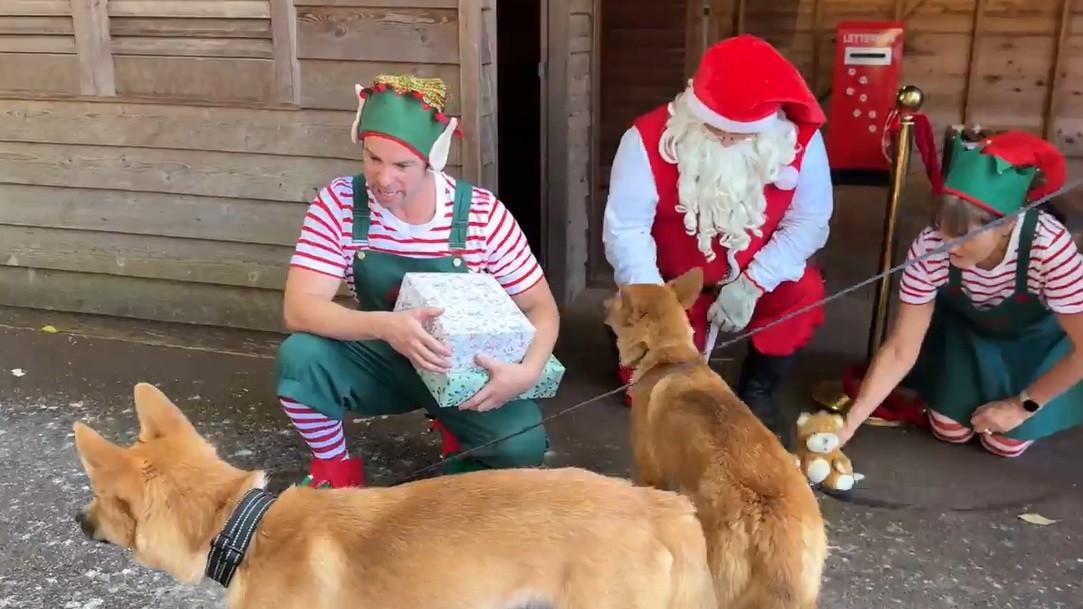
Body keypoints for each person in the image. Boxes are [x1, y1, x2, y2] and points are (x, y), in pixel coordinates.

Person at [274, 75, 560, 488]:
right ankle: (335, 469)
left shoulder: (482, 214)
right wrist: (386, 326)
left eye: (402, 165)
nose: (383, 178)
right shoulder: (339, 203)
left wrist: (527, 372)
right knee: (300, 359)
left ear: (431, 160)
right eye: (373, 158)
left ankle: (461, 448)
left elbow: (540, 307)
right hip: (381, 355)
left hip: (461, 368)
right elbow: (300, 308)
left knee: (520, 447)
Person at [602, 34, 834, 446]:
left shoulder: (799, 142)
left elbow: (809, 222)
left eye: (740, 134)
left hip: (754, 281)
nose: (726, 139)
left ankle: (759, 390)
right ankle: (624, 330)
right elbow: (627, 230)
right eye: (715, 128)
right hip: (674, 288)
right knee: (650, 399)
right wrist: (655, 305)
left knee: (803, 290)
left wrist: (754, 282)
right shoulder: (644, 138)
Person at [838, 130, 1083, 458]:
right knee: (949, 429)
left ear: (1006, 224)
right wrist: (849, 422)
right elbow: (899, 348)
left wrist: (1023, 405)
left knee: (1003, 443)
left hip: (1036, 347)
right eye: (942, 227)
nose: (948, 245)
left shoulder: (1049, 248)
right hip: (969, 340)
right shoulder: (930, 247)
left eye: (963, 235)